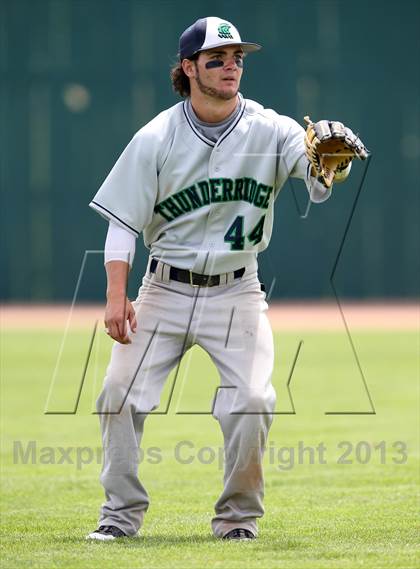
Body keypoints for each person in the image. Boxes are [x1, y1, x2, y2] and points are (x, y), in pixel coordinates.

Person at [86, 16, 359, 541]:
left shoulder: (271, 128)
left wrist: (333, 164)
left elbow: (315, 169)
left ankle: (237, 520)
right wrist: (116, 296)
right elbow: (123, 220)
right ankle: (119, 517)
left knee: (253, 401)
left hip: (237, 290)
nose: (231, 65)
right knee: (117, 393)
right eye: (217, 58)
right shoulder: (157, 137)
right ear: (188, 68)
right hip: (163, 288)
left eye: (237, 57)